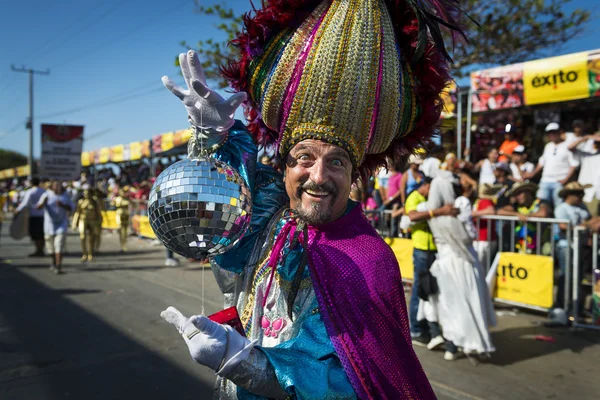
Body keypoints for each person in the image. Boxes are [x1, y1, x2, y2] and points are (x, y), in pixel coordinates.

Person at [158, 0, 465, 396]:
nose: (318, 177)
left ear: (355, 175)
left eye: (336, 162)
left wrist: (248, 365)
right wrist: (214, 138)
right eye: (304, 158)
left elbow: (348, 385)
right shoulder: (271, 221)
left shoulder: (369, 261)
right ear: (283, 168)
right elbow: (219, 212)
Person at [418, 172, 496, 361]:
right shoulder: (454, 210)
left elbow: (409, 217)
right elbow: (467, 236)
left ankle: (452, 346)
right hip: (462, 264)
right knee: (466, 303)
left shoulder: (428, 210)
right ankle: (465, 342)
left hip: (444, 263)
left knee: (449, 305)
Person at [405, 176, 458, 349]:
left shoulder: (427, 199)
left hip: (432, 249)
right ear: (426, 186)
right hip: (421, 249)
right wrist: (439, 211)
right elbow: (412, 216)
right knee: (420, 289)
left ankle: (427, 326)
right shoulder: (414, 197)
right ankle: (416, 329)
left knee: (430, 291)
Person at [553, 182, 592, 310]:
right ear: (570, 195)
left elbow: (589, 221)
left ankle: (576, 308)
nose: (582, 196)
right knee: (566, 276)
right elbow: (563, 226)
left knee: (579, 277)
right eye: (579, 193)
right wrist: (582, 227)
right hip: (566, 247)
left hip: (580, 247)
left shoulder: (583, 207)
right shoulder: (561, 208)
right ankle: (561, 306)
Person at [525, 122, 579, 208]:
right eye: (550, 133)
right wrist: (533, 174)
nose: (552, 135)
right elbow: (541, 162)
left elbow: (574, 164)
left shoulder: (568, 145)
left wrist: (566, 179)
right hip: (545, 180)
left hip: (559, 181)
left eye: (554, 132)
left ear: (559, 132)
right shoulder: (548, 146)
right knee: (541, 205)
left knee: (559, 206)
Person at [498, 182, 552, 253]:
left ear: (528, 192)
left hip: (541, 244)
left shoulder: (540, 202)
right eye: (515, 195)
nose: (517, 197)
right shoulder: (516, 206)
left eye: (519, 194)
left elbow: (543, 213)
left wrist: (527, 216)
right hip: (523, 246)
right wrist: (517, 214)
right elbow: (500, 212)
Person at [36, 181, 73, 274]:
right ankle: (54, 261)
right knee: (51, 248)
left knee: (59, 246)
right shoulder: (46, 195)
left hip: (62, 224)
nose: (57, 187)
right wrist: (43, 203)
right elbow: (38, 207)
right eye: (56, 185)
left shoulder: (65, 196)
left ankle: (58, 266)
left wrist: (62, 205)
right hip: (49, 225)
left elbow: (71, 207)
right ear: (52, 187)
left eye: (59, 185)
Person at [568, 128, 600, 217]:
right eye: (596, 142)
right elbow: (570, 147)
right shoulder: (586, 154)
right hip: (587, 193)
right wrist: (586, 138)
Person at [472, 184, 505, 268]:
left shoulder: (485, 201)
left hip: (484, 239)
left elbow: (491, 211)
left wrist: (473, 214)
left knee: (480, 267)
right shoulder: (482, 201)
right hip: (482, 239)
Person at [15, 177, 46, 256]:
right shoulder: (44, 191)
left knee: (36, 234)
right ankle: (41, 250)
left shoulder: (30, 191)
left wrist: (18, 210)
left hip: (34, 215)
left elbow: (25, 203)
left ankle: (38, 250)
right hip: (43, 215)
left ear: (31, 183)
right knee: (41, 234)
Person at [72, 189, 103, 262]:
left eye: (88, 193)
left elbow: (98, 213)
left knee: (91, 238)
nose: (86, 195)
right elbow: (77, 212)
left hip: (92, 220)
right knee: (82, 236)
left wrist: (100, 222)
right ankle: (84, 253)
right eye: (85, 193)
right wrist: (74, 223)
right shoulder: (81, 202)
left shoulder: (94, 202)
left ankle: (90, 254)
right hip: (83, 220)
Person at [113, 186, 131, 252]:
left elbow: (133, 204)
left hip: (126, 215)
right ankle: (122, 245)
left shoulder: (127, 199)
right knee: (121, 231)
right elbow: (112, 204)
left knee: (125, 232)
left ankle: (124, 245)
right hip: (119, 215)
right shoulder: (117, 199)